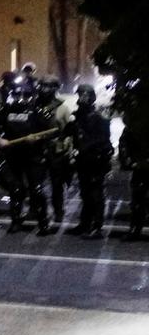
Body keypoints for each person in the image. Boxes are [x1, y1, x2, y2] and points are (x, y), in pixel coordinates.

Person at [0, 80, 58, 235]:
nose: (21, 97)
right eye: (17, 94)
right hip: (13, 155)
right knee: (15, 189)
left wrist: (37, 139)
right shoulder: (6, 110)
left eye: (26, 94)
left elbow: (53, 131)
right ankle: (16, 221)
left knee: (37, 189)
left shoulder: (38, 111)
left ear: (32, 95)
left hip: (34, 156)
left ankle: (43, 223)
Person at [66, 84, 113, 238]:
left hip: (96, 161)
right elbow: (68, 132)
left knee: (96, 194)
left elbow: (102, 139)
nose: (82, 98)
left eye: (86, 95)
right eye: (80, 95)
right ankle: (85, 224)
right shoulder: (78, 116)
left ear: (91, 97)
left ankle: (96, 227)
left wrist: (85, 147)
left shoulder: (99, 117)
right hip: (83, 162)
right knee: (86, 194)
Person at [35, 75, 74, 227]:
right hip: (36, 149)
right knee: (36, 184)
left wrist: (69, 152)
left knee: (57, 184)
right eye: (42, 86)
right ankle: (37, 209)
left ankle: (58, 210)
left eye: (48, 87)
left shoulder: (62, 108)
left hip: (56, 151)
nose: (45, 89)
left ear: (54, 89)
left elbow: (69, 132)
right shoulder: (33, 105)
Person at [118, 121, 148, 241]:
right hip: (140, 168)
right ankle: (135, 229)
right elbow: (124, 142)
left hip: (141, 165)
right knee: (137, 201)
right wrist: (128, 160)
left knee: (138, 201)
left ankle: (135, 229)